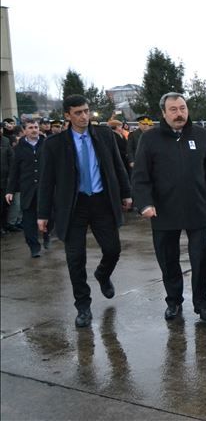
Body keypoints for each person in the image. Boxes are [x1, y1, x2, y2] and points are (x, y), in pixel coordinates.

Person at [37, 94, 132, 328]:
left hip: (101, 202)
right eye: (78, 113)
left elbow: (117, 166)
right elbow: (47, 181)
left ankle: (102, 274)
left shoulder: (104, 135)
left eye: (86, 111)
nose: (84, 116)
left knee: (113, 249)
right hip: (73, 206)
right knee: (75, 258)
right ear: (67, 115)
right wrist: (42, 214)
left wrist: (126, 193)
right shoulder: (54, 144)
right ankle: (83, 306)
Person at [132, 92, 206, 323]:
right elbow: (140, 176)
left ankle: (202, 304)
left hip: (196, 208)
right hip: (163, 210)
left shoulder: (200, 135)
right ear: (163, 113)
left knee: (200, 260)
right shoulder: (150, 139)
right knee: (168, 259)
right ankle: (173, 301)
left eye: (182, 108)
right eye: (173, 109)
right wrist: (145, 203)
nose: (179, 113)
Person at [5, 119, 49, 257]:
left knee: (49, 217)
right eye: (30, 127)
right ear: (24, 131)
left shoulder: (46, 144)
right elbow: (14, 171)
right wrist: (10, 190)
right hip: (27, 189)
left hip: (45, 189)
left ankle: (47, 237)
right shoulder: (18, 148)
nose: (34, 130)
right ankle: (34, 247)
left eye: (36, 127)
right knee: (29, 221)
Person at [0, 122, 13, 235]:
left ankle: (4, 226)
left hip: (4, 180)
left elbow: (11, 158)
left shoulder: (5, 141)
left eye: (0, 128)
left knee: (4, 206)